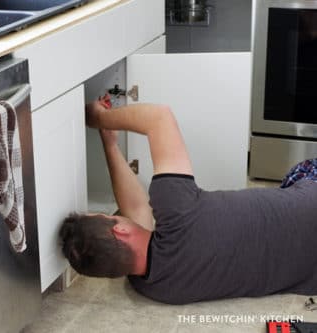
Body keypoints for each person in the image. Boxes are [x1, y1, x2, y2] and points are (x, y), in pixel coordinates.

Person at [59, 94, 317, 305]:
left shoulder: (156, 286)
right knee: (301, 170)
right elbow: (159, 118)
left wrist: (110, 144)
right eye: (111, 216)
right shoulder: (177, 212)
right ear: (121, 228)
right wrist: (99, 118)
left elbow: (136, 209)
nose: (120, 215)